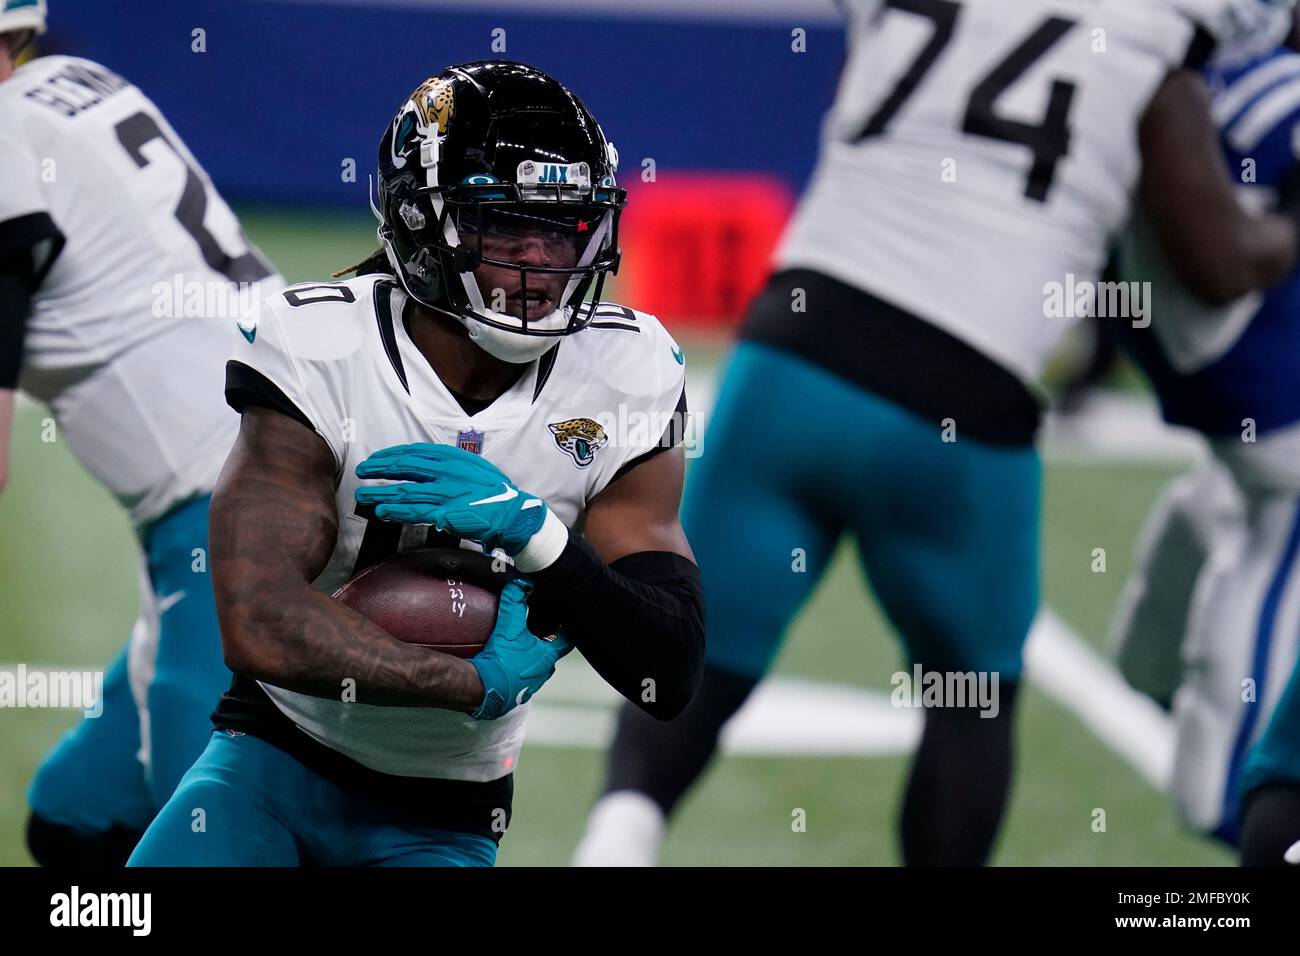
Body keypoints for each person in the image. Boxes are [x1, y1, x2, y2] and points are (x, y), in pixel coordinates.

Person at [576, 0, 1300, 866]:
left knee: (703, 639)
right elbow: (1217, 261)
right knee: (970, 703)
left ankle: (615, 839)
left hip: (794, 349)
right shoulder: (1147, 33)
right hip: (966, 389)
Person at [127, 61, 705, 867]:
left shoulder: (625, 368)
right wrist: (471, 684)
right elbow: (257, 620)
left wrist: (541, 538)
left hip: (448, 812)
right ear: (421, 221)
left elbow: (667, 668)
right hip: (270, 763)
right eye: (505, 228)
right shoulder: (322, 347)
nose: (540, 265)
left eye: (565, 228)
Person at [0, 0, 283, 864]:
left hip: (242, 513)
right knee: (77, 816)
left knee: (202, 841)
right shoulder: (73, 87)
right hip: (247, 474)